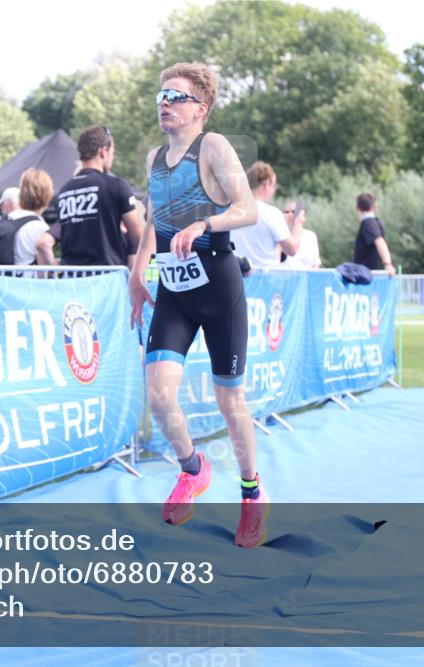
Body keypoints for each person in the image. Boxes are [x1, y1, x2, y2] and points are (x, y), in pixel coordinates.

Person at [128, 62, 267, 548]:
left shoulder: (214, 147)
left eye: (176, 96)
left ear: (200, 109)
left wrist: (204, 224)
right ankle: (193, 467)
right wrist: (136, 273)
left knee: (230, 401)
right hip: (173, 291)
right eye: (161, 95)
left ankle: (252, 494)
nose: (164, 103)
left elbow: (247, 209)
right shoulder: (153, 159)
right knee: (160, 395)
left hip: (217, 285)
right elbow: (151, 221)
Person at [56, 125, 145, 266]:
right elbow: (137, 236)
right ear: (104, 151)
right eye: (113, 153)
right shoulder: (116, 186)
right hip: (107, 278)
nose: (112, 158)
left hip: (72, 280)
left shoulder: (63, 191)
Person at [230, 162, 303, 271]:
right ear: (266, 184)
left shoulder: (231, 209)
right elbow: (292, 250)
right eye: (274, 186)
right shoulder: (272, 214)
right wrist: (298, 224)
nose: (273, 191)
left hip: (237, 277)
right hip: (264, 281)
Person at [353, 193, 395, 276]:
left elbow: (380, 242)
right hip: (368, 274)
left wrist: (388, 264)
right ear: (374, 207)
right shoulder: (375, 222)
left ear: (357, 208)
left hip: (366, 276)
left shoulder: (368, 223)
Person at [280, 200, 320, 270]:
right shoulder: (279, 234)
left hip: (305, 279)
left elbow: (315, 265)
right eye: (286, 212)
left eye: (293, 212)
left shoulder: (311, 236)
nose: (289, 214)